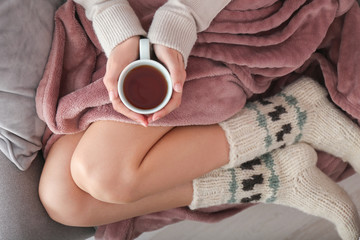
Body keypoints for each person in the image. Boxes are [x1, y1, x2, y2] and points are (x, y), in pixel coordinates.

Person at [38, 1, 360, 239]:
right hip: (118, 18)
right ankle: (269, 174)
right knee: (64, 201)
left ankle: (291, 117)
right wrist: (117, 27)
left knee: (102, 175)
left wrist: (180, 19)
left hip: (210, 9)